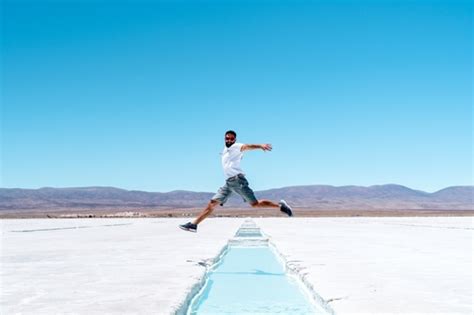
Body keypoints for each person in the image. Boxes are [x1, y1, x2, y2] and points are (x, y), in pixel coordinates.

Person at [179, 130, 293, 233]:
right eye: (227, 138)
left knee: (255, 204)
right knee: (212, 203)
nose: (229, 140)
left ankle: (280, 205)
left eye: (231, 139)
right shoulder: (225, 150)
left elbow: (247, 146)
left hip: (238, 181)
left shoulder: (237, 146)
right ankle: (194, 225)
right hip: (228, 183)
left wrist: (260, 146)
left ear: (235, 140)